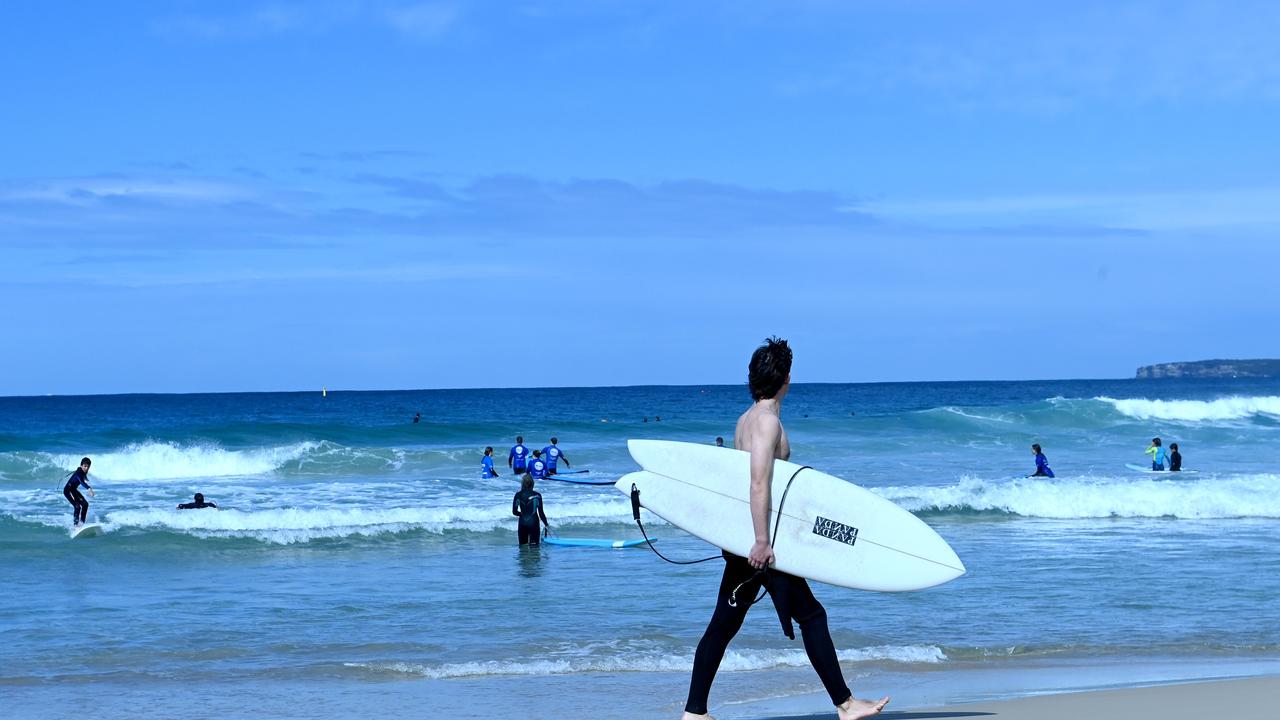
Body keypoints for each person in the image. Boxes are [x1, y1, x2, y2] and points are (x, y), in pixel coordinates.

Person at [682, 337, 888, 720]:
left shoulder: (745, 419)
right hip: (763, 546)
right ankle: (845, 704)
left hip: (746, 542)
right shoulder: (766, 422)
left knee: (723, 626)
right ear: (786, 379)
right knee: (811, 617)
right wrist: (761, 542)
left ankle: (695, 713)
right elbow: (758, 482)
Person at [511, 474, 550, 545]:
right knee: (535, 548)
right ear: (532, 483)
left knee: (522, 548)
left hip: (522, 523)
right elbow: (541, 513)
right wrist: (546, 524)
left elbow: (514, 512)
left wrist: (522, 514)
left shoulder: (518, 495)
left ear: (522, 483)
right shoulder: (537, 495)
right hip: (534, 523)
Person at [63, 457, 95, 526]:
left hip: (73, 490)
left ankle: (82, 523)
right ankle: (75, 525)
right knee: (77, 506)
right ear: (81, 465)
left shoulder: (83, 472)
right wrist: (89, 488)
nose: (86, 468)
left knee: (85, 504)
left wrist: (86, 479)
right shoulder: (79, 473)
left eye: (88, 467)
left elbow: (83, 478)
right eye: (85, 466)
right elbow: (81, 481)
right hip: (68, 490)